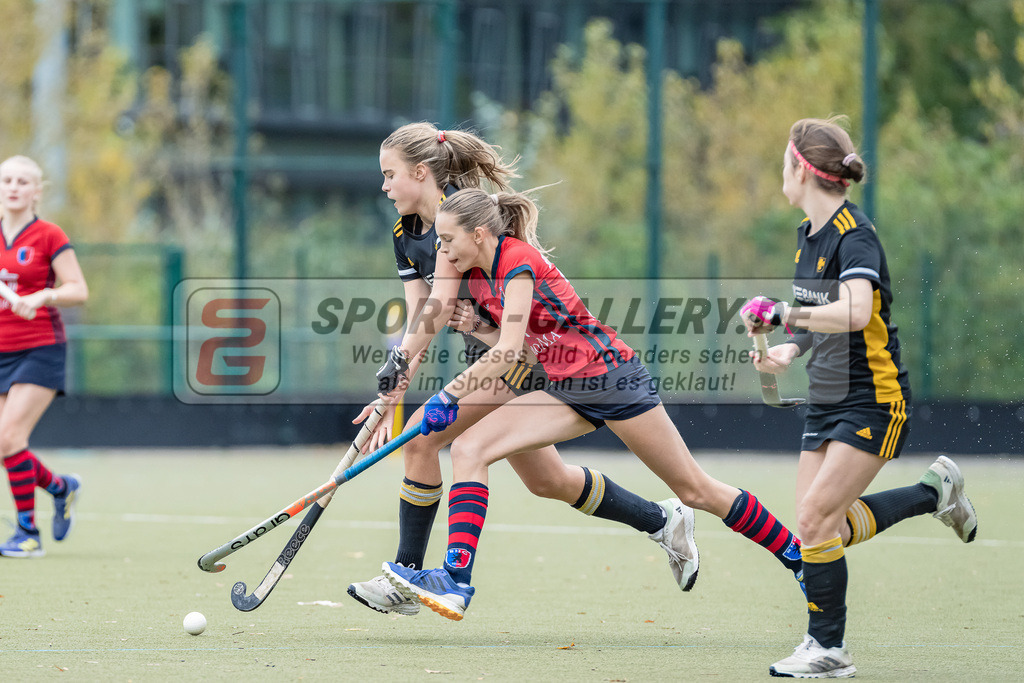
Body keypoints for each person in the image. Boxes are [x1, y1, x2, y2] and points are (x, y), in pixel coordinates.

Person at [377, 187, 806, 622]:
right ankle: (455, 580)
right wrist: (475, 329)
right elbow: (523, 351)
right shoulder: (479, 277)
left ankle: (799, 558)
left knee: (696, 490)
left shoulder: (516, 261)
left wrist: (450, 395)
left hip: (612, 378)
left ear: (481, 234)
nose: (442, 251)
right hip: (564, 386)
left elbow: (507, 352)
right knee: (470, 449)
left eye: (448, 241)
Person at [346, 123, 701, 616]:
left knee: (431, 438)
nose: (384, 186)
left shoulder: (461, 215)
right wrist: (392, 385)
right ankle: (661, 520)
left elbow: (441, 308)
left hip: (516, 356)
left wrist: (399, 380)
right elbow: (419, 314)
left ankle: (405, 577)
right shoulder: (404, 233)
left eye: (390, 175)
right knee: (547, 480)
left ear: (422, 173)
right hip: (487, 356)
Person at [738, 117, 978, 678]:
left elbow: (856, 310)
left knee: (819, 517)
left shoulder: (855, 233)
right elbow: (818, 317)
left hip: (874, 396)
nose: (782, 171)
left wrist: (782, 314)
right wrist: (786, 351)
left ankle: (828, 648)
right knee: (821, 526)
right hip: (826, 396)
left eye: (783, 161)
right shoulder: (809, 234)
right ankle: (933, 494)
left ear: (800, 168)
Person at [0, 155, 88, 558]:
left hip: (40, 347)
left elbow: (77, 289)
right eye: (7, 180)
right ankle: (61, 487)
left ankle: (27, 534)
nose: (13, 187)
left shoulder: (48, 235)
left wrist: (42, 295)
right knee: (6, 445)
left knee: (9, 437)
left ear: (36, 191)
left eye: (22, 181)